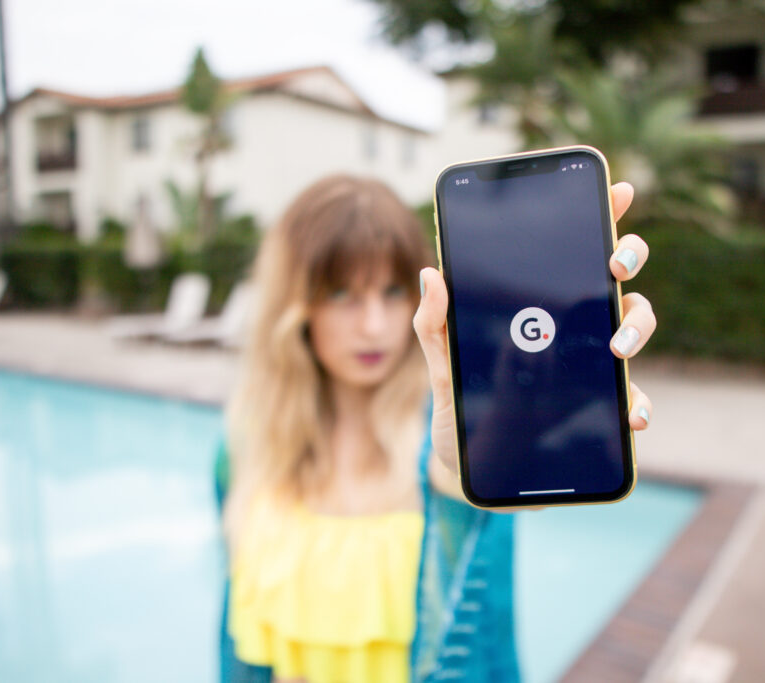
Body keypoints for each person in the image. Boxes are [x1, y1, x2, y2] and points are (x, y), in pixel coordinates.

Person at [214, 174, 656, 683]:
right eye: (342, 294)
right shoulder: (244, 447)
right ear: (293, 304)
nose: (375, 325)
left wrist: (491, 454)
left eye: (394, 290)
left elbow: (481, 496)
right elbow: (237, 640)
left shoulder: (454, 435)